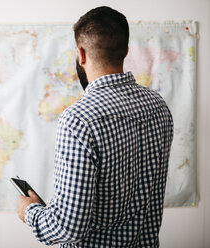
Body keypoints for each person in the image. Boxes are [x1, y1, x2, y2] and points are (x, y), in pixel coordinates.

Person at [16, 6, 174, 248]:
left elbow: (68, 227)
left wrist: (30, 211)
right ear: (126, 51)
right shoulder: (158, 107)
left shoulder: (78, 120)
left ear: (81, 54)